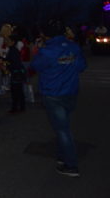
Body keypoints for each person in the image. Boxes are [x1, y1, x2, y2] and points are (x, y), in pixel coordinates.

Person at [31, 20, 86, 177]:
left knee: (63, 130)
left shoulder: (47, 51)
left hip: (53, 94)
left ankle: (71, 165)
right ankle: (63, 157)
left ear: (46, 34)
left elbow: (35, 66)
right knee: (64, 126)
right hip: (71, 92)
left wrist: (39, 50)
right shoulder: (73, 47)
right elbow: (82, 66)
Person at [3, 35, 26, 113]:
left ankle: (15, 107)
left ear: (12, 42)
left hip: (16, 73)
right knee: (18, 90)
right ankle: (20, 106)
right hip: (18, 72)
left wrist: (7, 65)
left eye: (8, 40)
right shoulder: (13, 50)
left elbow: (15, 63)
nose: (6, 42)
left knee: (16, 91)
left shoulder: (13, 50)